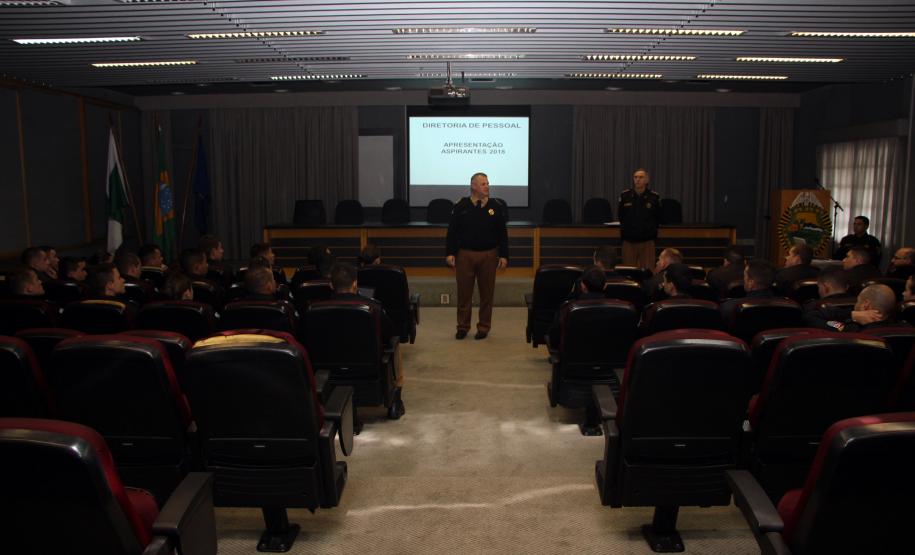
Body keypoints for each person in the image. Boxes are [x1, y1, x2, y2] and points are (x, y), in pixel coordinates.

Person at [329, 261, 405, 418]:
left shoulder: (314, 309)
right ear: (355, 284)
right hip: (368, 367)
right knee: (395, 343)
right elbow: (390, 333)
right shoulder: (373, 308)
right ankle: (396, 395)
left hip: (328, 371)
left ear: (331, 285)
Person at [445, 172, 509, 340]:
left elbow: (502, 233)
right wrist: (450, 252)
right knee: (464, 294)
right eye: (483, 184)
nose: (487, 186)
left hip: (488, 255)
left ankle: (483, 327)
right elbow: (452, 231)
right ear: (473, 186)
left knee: (487, 294)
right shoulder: (461, 206)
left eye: (487, 183)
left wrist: (504, 255)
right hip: (465, 255)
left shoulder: (495, 207)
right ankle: (463, 327)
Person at [548, 266, 607, 349]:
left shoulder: (567, 308)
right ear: (605, 286)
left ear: (582, 286)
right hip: (607, 358)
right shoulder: (622, 309)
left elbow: (554, 339)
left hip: (574, 358)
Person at [618, 168, 661, 268]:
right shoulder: (625, 196)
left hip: (647, 241)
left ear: (647, 180)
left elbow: (657, 218)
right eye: (635, 177)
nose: (637, 179)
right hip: (629, 241)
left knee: (647, 271)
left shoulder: (654, 197)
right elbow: (621, 216)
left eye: (641, 177)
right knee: (628, 271)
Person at [834, 283, 910, 332]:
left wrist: (852, 314)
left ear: (866, 305)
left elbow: (822, 318)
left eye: (858, 301)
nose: (855, 305)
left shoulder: (852, 329)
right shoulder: (908, 330)